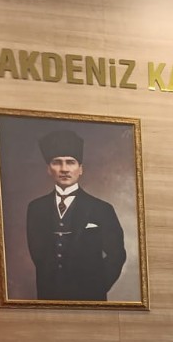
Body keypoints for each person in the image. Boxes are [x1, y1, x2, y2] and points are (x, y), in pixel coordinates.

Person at [25, 129, 126, 302]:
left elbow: (117, 255)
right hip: (49, 297)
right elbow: (38, 255)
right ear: (49, 169)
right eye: (57, 162)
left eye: (71, 162)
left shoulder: (102, 209)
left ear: (80, 169)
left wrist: (97, 286)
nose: (64, 169)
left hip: (90, 298)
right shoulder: (36, 208)